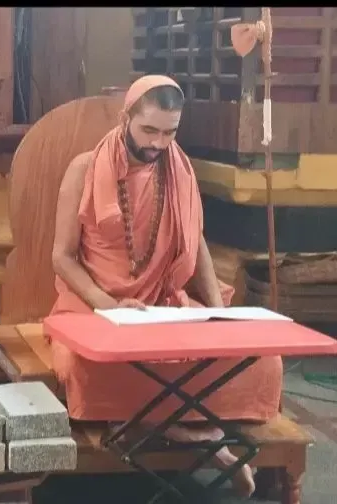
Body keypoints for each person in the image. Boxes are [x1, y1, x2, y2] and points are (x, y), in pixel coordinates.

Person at [49, 75, 282, 497]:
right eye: (149, 130)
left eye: (170, 132)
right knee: (88, 365)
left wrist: (219, 313)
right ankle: (199, 435)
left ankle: (151, 425)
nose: (158, 143)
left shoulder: (179, 169)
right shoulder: (85, 168)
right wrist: (107, 305)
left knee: (262, 360)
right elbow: (61, 258)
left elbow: (194, 242)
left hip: (162, 306)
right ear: (126, 118)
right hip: (94, 306)